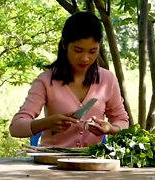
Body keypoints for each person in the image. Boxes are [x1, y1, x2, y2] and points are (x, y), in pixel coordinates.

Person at [9, 12, 129, 147]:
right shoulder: (46, 81)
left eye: (92, 51)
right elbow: (15, 127)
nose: (85, 58)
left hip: (92, 163)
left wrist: (111, 129)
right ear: (65, 44)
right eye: (78, 50)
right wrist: (46, 123)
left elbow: (121, 120)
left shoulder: (107, 80)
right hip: (52, 163)